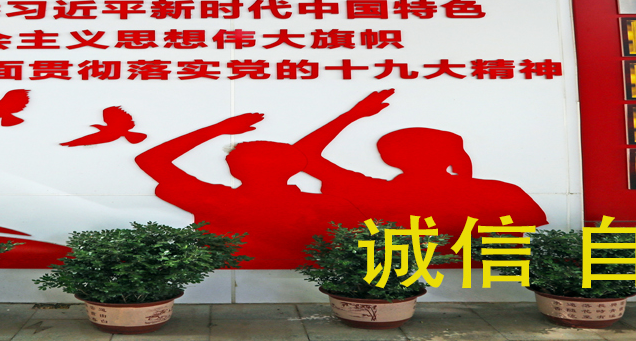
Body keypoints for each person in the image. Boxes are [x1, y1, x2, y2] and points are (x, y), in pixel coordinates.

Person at [295, 90, 549, 231]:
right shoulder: (503, 193)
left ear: (388, 158)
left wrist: (352, 115)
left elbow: (300, 156)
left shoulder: (370, 191)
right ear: (455, 157)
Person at [137, 113, 367, 264]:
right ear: (294, 169)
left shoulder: (212, 199)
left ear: (234, 169)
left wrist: (218, 129)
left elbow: (151, 160)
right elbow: (369, 241)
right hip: (308, 284)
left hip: (215, 282)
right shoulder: (331, 205)